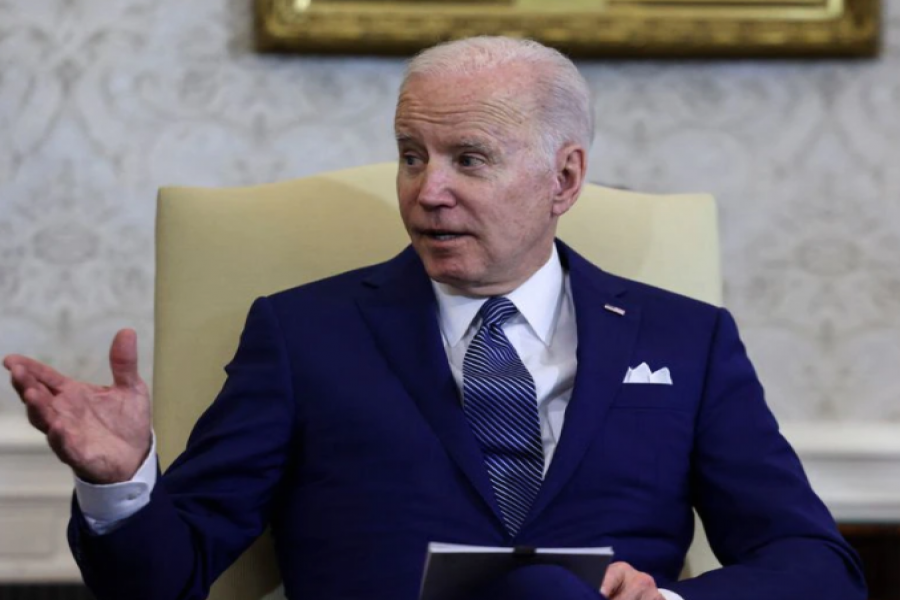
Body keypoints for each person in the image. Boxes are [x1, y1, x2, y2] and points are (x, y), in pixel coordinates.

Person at [4, 37, 865, 600]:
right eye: (412, 156)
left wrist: (668, 599)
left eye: (469, 159)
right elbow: (165, 579)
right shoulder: (306, 336)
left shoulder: (686, 339)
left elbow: (816, 567)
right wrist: (118, 484)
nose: (429, 189)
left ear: (564, 179)